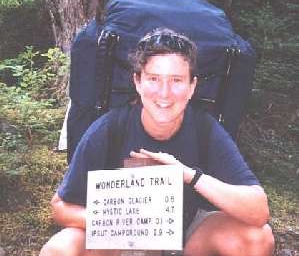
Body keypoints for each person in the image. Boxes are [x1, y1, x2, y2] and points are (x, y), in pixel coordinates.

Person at [40, 28, 275, 256]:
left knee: (256, 238)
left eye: (176, 80)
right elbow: (60, 207)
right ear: (137, 82)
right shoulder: (110, 128)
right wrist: (124, 221)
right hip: (121, 239)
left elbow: (258, 211)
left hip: (188, 237)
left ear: (192, 86)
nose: (164, 93)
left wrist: (188, 175)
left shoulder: (205, 129)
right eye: (153, 78)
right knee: (60, 248)